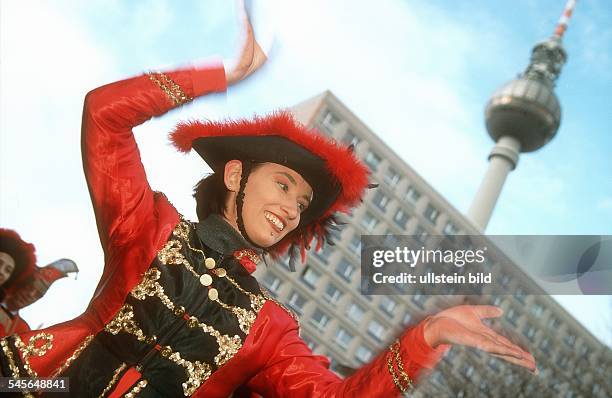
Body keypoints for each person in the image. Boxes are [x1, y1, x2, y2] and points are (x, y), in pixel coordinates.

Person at [0, 3, 536, 397]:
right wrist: (217, 76)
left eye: (303, 204)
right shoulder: (150, 227)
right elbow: (104, 114)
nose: (292, 209)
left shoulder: (270, 327)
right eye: (283, 185)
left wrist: (426, 337)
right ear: (235, 174)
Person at [0, 229, 78, 337]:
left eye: (38, 294)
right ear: (20, 282)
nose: (31, 295)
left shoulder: (24, 331)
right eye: (30, 287)